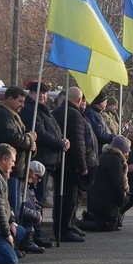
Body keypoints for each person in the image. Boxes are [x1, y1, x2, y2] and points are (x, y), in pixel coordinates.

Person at [20, 80, 69, 243]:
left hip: (48, 161)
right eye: (38, 93)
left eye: (44, 93)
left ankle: (38, 231)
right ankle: (35, 233)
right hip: (39, 160)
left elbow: (53, 130)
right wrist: (59, 142)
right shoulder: (30, 111)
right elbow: (40, 133)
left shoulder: (44, 110)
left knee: (39, 199)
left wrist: (62, 139)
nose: (42, 96)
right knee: (36, 199)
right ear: (31, 94)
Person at [0, 85, 37, 213]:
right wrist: (29, 139)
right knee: (12, 207)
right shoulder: (3, 115)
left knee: (17, 206)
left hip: (17, 167)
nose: (22, 105)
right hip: (9, 168)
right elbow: (14, 139)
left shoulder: (11, 114)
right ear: (10, 99)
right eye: (20, 101)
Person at [52, 86, 91, 243]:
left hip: (59, 162)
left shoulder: (57, 112)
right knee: (69, 198)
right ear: (79, 100)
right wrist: (83, 167)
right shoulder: (75, 116)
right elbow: (78, 143)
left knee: (60, 197)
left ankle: (62, 226)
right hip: (70, 165)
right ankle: (65, 229)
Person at [80, 136, 133, 232]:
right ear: (121, 150)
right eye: (126, 152)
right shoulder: (115, 160)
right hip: (105, 202)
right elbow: (117, 184)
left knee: (108, 224)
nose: (127, 155)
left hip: (98, 200)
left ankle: (91, 218)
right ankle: (81, 224)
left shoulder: (104, 156)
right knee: (107, 226)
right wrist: (121, 201)